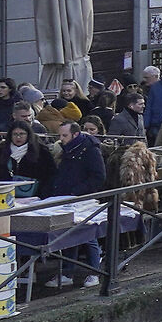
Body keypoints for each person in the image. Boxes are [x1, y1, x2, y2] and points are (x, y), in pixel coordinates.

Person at [47, 118, 107, 287]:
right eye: (60, 135)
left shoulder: (90, 149)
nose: (61, 139)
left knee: (88, 235)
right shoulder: (69, 148)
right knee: (69, 234)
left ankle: (94, 272)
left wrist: (77, 191)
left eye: (64, 135)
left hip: (82, 199)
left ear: (75, 134)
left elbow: (99, 176)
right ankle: (68, 273)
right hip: (67, 197)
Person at [0, 123, 55, 197]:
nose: (18, 137)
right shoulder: (1, 152)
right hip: (3, 195)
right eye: (15, 134)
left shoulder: (41, 152)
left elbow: (50, 175)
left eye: (22, 134)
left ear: (28, 135)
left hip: (35, 196)